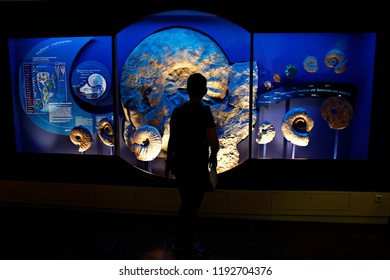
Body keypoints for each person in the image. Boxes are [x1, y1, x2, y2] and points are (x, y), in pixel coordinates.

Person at [165, 72, 220, 258]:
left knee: (186, 203)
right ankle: (184, 244)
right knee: (192, 206)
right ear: (204, 91)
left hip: (180, 165)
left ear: (187, 90)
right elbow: (213, 140)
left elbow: (172, 140)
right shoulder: (204, 112)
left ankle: (181, 241)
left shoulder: (178, 112)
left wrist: (169, 161)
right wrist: (214, 155)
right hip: (197, 166)